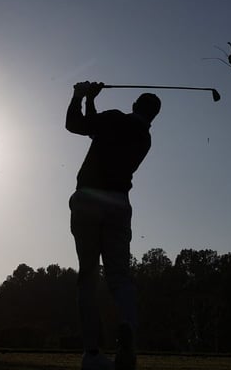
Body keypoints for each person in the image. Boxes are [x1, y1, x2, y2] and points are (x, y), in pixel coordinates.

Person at [65, 81, 161, 370]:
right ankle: (127, 324)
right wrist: (92, 102)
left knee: (88, 275)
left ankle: (93, 353)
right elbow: (95, 131)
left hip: (88, 198)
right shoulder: (144, 138)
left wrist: (80, 95)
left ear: (134, 105)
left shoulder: (115, 118)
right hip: (119, 203)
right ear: (152, 116)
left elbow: (76, 125)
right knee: (119, 276)